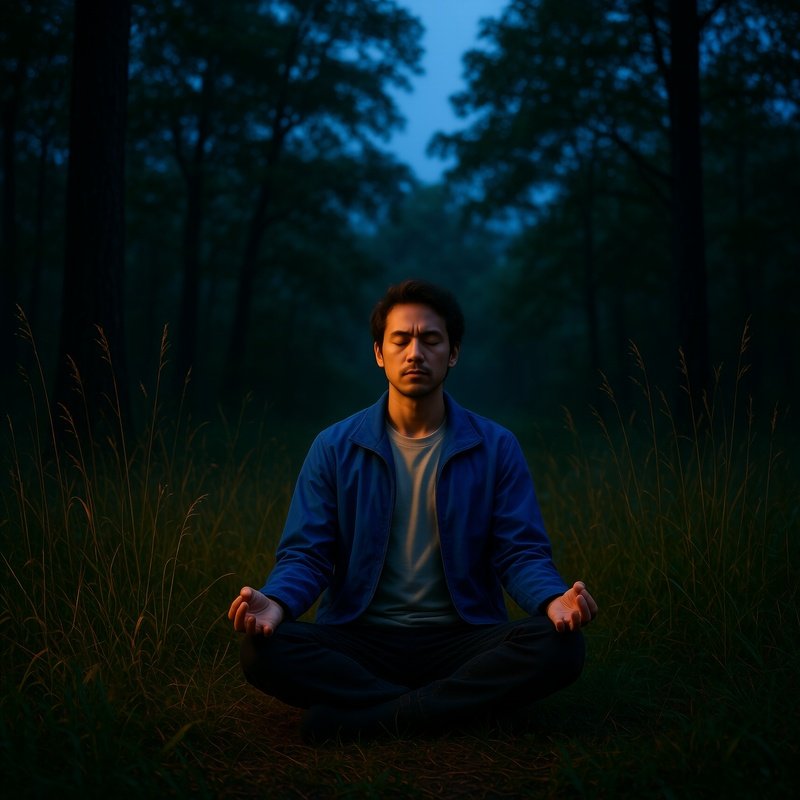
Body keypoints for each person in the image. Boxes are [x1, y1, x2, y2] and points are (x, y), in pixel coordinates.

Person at [228, 279, 597, 742]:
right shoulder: (334, 446)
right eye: (401, 339)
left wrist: (553, 599)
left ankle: (371, 716)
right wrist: (276, 602)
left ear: (453, 352)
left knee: (560, 646)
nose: (415, 352)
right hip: (361, 639)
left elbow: (518, 552)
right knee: (262, 651)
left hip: (463, 639)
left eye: (431, 339)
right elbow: (308, 554)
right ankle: (454, 710)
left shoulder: (496, 446)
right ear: (380, 353)